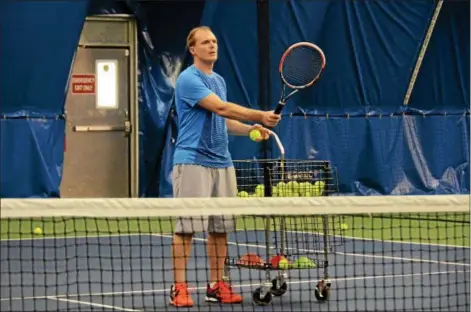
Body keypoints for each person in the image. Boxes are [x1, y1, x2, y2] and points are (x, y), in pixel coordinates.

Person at [169, 26, 281, 308]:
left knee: (220, 229)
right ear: (193, 49)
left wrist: (250, 128)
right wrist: (261, 115)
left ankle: (217, 284)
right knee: (187, 228)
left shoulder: (218, 80)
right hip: (193, 160)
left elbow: (223, 120)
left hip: (223, 162)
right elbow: (220, 108)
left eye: (215, 41)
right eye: (205, 42)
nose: (212, 45)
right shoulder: (188, 79)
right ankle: (179, 288)